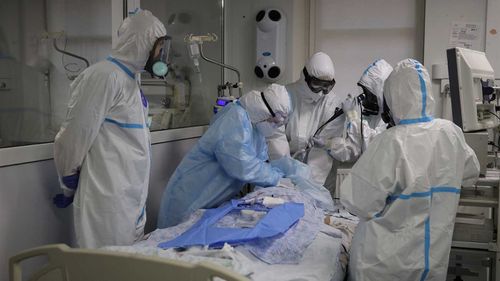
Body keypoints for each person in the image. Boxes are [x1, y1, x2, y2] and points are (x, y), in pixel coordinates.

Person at [340, 59, 480, 281]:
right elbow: (471, 173)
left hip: (381, 266)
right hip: (429, 265)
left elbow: (356, 202)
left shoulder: (391, 142)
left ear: (392, 98)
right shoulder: (450, 133)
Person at [52, 10, 167, 248]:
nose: (161, 55)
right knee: (105, 268)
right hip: (106, 200)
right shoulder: (104, 76)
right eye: (158, 48)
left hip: (130, 196)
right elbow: (74, 136)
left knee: (123, 266)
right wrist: (67, 180)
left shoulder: (130, 80)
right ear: (142, 43)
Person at [157, 84, 294, 228]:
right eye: (275, 121)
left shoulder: (256, 128)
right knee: (174, 238)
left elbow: (260, 161)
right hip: (191, 196)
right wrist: (275, 178)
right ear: (263, 111)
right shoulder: (235, 118)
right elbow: (242, 164)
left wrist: (275, 180)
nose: (276, 126)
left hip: (211, 201)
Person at [267, 52, 347, 186]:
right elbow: (276, 140)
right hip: (282, 173)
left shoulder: (333, 105)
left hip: (319, 177)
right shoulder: (285, 95)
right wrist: (285, 178)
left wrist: (310, 187)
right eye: (317, 85)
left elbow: (321, 155)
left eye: (326, 86)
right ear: (305, 77)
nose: (321, 92)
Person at [324, 59, 393, 162]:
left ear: (380, 93)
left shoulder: (391, 120)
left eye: (367, 94)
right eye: (363, 92)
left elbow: (372, 145)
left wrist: (352, 115)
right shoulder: (372, 117)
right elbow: (354, 149)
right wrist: (327, 144)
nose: (364, 99)